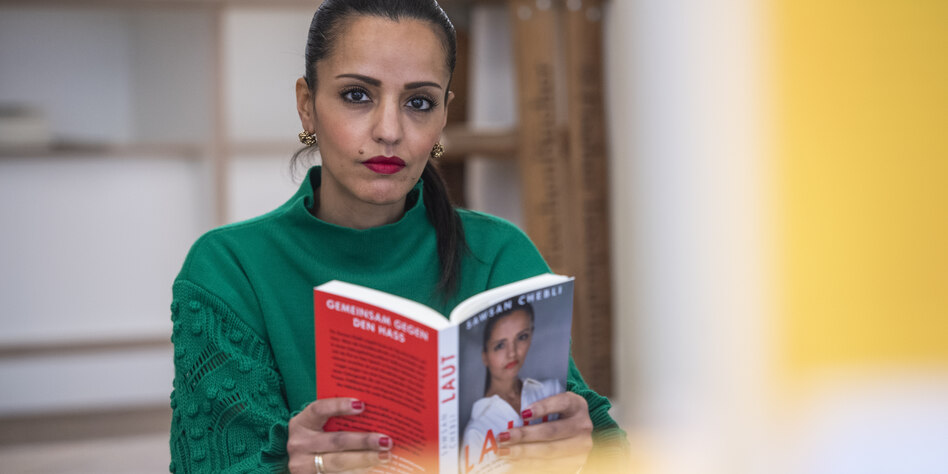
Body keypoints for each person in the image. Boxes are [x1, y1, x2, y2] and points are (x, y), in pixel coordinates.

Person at [168, 1, 624, 473]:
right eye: (357, 95)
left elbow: (606, 445)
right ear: (307, 106)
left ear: (443, 117)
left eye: (419, 103)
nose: (389, 131)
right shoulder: (229, 270)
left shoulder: (499, 255)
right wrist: (292, 464)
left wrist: (581, 449)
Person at [461, 301, 565, 473]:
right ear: (485, 356)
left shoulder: (552, 391)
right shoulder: (476, 431)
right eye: (500, 345)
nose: (512, 353)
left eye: (522, 337)